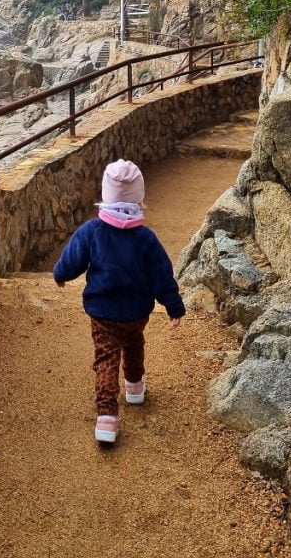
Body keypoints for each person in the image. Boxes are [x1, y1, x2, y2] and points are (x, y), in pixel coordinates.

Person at [52, 158, 185, 444]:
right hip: (137, 311)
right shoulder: (146, 238)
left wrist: (61, 273)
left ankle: (107, 417)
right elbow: (162, 274)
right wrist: (173, 305)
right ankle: (135, 388)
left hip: (102, 311)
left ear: (105, 194)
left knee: (106, 358)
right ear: (139, 195)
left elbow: (73, 258)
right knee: (134, 344)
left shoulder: (92, 231)